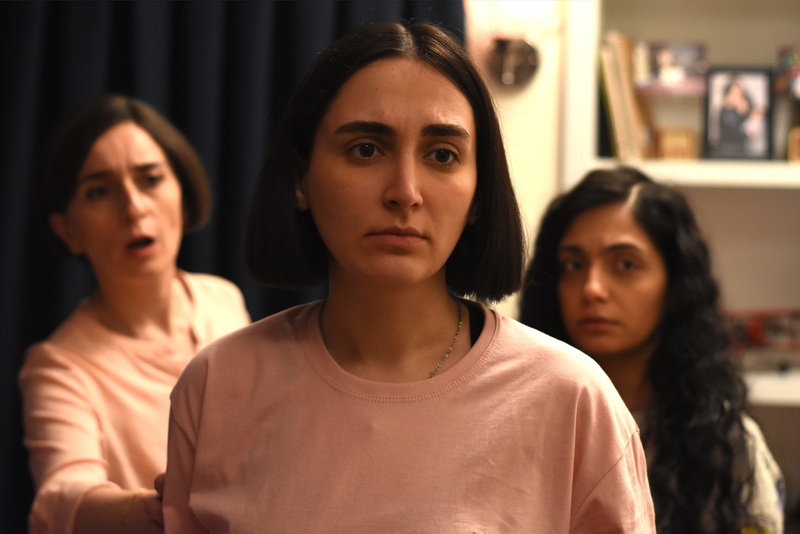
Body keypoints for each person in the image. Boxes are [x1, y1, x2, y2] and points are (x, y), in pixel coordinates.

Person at [162, 22, 656, 533]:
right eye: (366, 150)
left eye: (442, 155)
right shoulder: (217, 386)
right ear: (301, 177)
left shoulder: (571, 398)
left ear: (479, 192)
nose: (405, 191)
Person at [18, 95, 251, 534]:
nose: (134, 207)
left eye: (151, 179)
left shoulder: (222, 299)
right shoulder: (58, 366)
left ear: (182, 196)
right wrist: (148, 511)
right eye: (99, 191)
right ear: (68, 230)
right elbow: (61, 495)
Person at [519, 166, 785, 533]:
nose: (592, 287)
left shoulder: (728, 445)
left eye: (625, 264)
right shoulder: (520, 424)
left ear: (675, 288)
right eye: (574, 265)